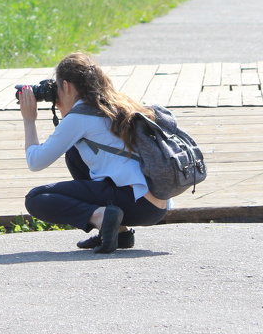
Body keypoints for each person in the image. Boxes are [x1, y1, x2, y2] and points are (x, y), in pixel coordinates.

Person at [18, 52, 168, 253]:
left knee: (36, 198)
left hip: (136, 203)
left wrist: (29, 120)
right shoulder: (116, 104)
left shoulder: (80, 116)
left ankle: (102, 217)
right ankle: (119, 232)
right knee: (74, 152)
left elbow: (35, 162)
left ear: (68, 86)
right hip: (156, 205)